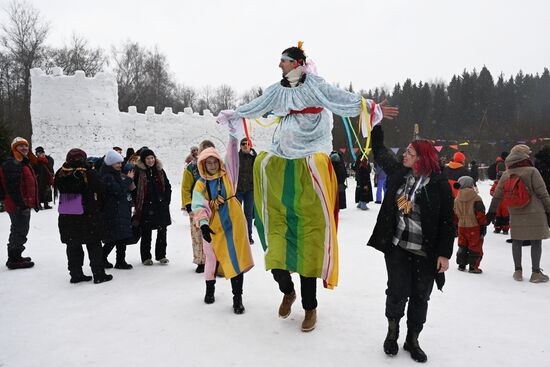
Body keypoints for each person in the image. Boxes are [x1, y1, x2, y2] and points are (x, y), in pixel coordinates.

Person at [217, 43, 398, 331]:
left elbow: (341, 99)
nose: (279, 66)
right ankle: (287, 290)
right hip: (282, 161)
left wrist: (370, 106)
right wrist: (234, 114)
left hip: (310, 159)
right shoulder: (277, 90)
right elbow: (257, 106)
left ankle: (310, 308)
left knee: (308, 245)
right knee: (277, 243)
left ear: (297, 63)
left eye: (284, 61)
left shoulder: (315, 84)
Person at [367, 125, 453, 363]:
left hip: (426, 253)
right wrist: (375, 120)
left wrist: (444, 254)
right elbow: (379, 150)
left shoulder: (439, 185)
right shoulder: (398, 173)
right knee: (396, 292)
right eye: (405, 151)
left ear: (422, 159)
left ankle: (412, 339)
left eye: (410, 153)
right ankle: (392, 333)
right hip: (397, 248)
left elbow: (448, 222)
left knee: (420, 297)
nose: (404, 155)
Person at [191, 130, 254, 314]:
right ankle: (210, 290)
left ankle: (237, 298)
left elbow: (233, 156)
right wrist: (203, 225)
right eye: (207, 162)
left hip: (233, 222)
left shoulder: (228, 175)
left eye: (214, 161)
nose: (211, 165)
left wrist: (233, 136)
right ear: (203, 164)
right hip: (212, 226)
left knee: (236, 258)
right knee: (211, 258)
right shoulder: (201, 184)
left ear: (219, 161)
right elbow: (197, 204)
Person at [487, 144, 550, 283]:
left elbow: (497, 196)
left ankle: (518, 271)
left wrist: (491, 214)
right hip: (535, 212)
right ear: (524, 155)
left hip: (515, 213)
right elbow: (543, 193)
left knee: (517, 241)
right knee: (536, 241)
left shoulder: (506, 174)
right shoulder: (532, 171)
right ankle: (535, 273)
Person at [54, 148, 113, 284]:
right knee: (94, 245)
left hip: (67, 213)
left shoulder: (61, 172)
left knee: (73, 245)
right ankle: (98, 274)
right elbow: (100, 187)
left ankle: (76, 274)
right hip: (87, 214)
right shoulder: (87, 172)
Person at [1, 138, 40, 269]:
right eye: (20, 146)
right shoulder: (13, 163)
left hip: (21, 203)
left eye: (25, 145)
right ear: (14, 148)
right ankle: (14, 259)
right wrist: (21, 204)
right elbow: (13, 187)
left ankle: (15, 255)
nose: (24, 148)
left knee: (18, 229)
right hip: (17, 204)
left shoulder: (21, 162)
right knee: (20, 230)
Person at [134, 148, 172, 265]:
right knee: (146, 232)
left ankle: (161, 255)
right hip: (146, 207)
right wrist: (138, 202)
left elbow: (167, 186)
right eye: (148, 158)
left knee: (162, 230)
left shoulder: (160, 170)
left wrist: (166, 200)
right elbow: (134, 189)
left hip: (160, 205)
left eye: (152, 158)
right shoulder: (139, 172)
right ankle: (146, 257)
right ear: (143, 160)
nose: (151, 160)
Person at [100, 150, 135, 270]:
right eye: (117, 163)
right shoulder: (107, 176)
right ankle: (102, 259)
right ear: (110, 163)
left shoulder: (114, 174)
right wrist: (128, 180)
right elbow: (118, 191)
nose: (120, 165)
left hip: (120, 209)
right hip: (113, 210)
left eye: (120, 163)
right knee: (113, 238)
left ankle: (120, 260)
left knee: (121, 237)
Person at [453, 176, 487, 273]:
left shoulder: (457, 199)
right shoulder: (476, 198)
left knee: (462, 244)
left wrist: (457, 223)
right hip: (474, 226)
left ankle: (461, 264)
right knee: (475, 245)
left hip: (461, 226)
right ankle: (473, 266)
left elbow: (454, 214)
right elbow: (480, 214)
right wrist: (483, 224)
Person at [182, 144, 206, 272]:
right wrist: (188, 205)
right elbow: (185, 188)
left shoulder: (212, 165)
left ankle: (213, 260)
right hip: (196, 206)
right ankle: (200, 261)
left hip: (211, 205)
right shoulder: (191, 168)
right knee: (197, 235)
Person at [236, 138, 257, 243]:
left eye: (248, 144)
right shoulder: (236, 157)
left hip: (250, 190)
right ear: (240, 146)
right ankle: (239, 236)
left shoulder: (254, 157)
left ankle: (248, 236)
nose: (245, 145)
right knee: (238, 214)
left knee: (248, 214)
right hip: (238, 190)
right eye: (243, 144)